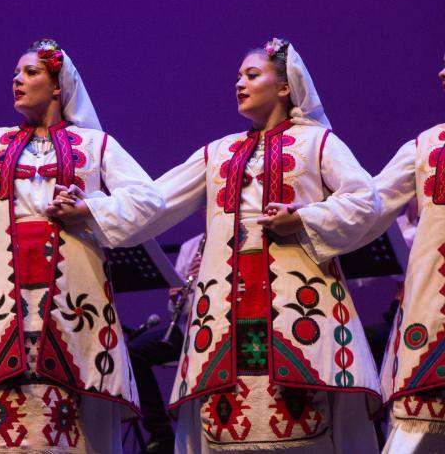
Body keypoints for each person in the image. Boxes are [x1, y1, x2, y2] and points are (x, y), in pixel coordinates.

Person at [133, 39, 382, 452]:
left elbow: (365, 200)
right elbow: (155, 201)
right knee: (226, 425)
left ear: (285, 87)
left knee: (302, 426)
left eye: (251, 75)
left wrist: (302, 217)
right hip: (226, 310)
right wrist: (89, 209)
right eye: (237, 77)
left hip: (295, 307)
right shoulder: (218, 153)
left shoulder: (316, 143)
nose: (239, 84)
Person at [0, 39, 164, 453]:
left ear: (58, 85)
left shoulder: (94, 146)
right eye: (15, 73)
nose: (17, 80)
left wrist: (90, 208)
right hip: (3, 304)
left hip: (71, 302)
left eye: (30, 73)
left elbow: (150, 200)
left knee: (75, 422)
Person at [355, 55, 445, 453]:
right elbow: (369, 203)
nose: (440, 73)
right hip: (433, 311)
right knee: (416, 428)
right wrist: (308, 214)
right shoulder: (426, 147)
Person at [129, 233, 204, 454]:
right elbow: (177, 311)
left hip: (220, 326)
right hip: (189, 327)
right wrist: (177, 298)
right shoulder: (191, 246)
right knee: (135, 352)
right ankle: (161, 433)